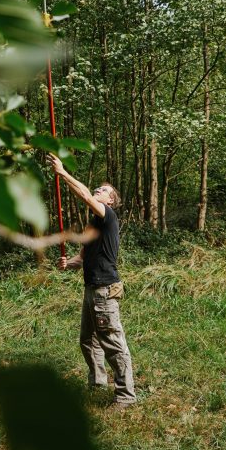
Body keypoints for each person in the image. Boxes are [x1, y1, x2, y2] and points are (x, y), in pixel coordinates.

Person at [46, 153, 136, 409]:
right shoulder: (93, 226)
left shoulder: (108, 216)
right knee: (88, 340)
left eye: (104, 190)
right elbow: (83, 256)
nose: (98, 189)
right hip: (91, 288)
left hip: (105, 289)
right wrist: (69, 263)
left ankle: (126, 396)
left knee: (113, 343)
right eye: (98, 187)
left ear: (111, 201)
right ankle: (98, 383)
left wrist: (62, 173)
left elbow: (84, 195)